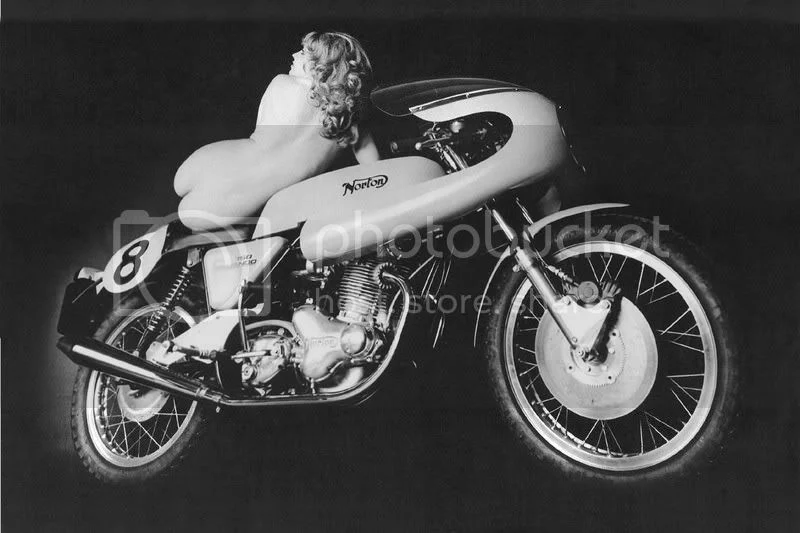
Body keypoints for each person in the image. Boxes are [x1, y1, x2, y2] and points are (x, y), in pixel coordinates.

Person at [174, 31, 380, 231]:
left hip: (218, 167)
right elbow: (377, 174)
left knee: (181, 186)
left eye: (304, 52)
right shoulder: (351, 121)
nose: (295, 55)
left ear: (323, 65)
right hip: (250, 206)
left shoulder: (283, 83)